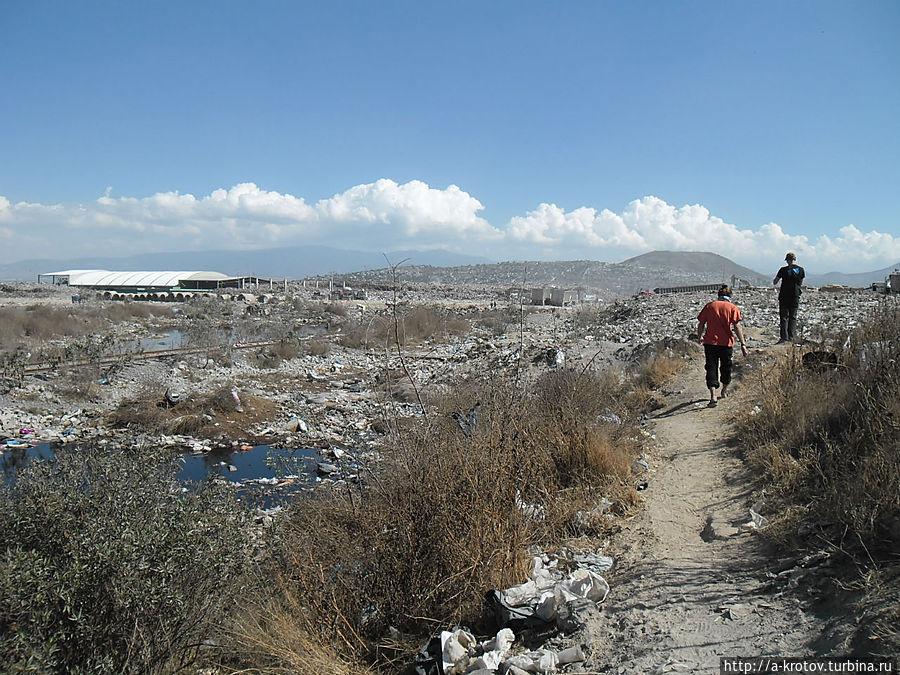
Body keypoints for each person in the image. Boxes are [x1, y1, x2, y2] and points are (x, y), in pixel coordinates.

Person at [697, 284, 749, 407]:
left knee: (711, 367)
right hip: (726, 343)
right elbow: (737, 326)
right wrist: (743, 344)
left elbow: (701, 324)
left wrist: (699, 337)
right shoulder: (732, 308)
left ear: (719, 295)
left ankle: (713, 395)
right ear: (730, 295)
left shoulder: (710, 306)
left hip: (710, 342)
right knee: (726, 368)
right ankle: (724, 391)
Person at [773, 251, 805, 343]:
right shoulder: (801, 270)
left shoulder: (783, 270)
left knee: (784, 317)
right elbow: (800, 282)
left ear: (787, 260)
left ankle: (784, 337)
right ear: (795, 259)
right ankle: (791, 337)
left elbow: (775, 281)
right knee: (793, 316)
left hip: (784, 295)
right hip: (795, 295)